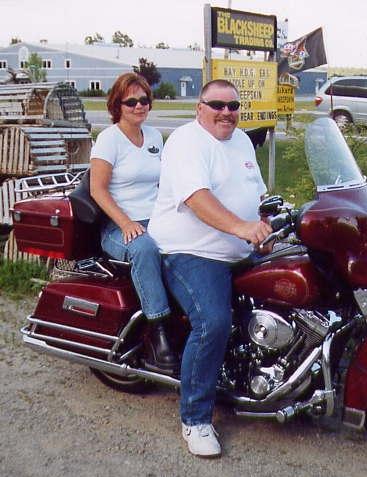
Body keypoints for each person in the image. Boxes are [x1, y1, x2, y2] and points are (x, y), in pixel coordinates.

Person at [148, 79, 272, 457]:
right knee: (213, 322)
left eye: (233, 106)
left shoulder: (242, 142)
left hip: (239, 249)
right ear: (199, 107)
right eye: (216, 104)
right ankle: (196, 419)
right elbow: (196, 198)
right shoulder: (187, 142)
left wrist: (269, 219)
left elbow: (258, 193)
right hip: (190, 251)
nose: (226, 112)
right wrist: (242, 227)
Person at [90, 72, 176, 374]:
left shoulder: (153, 136)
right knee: (145, 249)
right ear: (118, 105)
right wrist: (126, 223)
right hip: (118, 225)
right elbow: (97, 190)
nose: (139, 106)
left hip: (156, 218)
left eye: (144, 100)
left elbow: (165, 181)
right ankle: (159, 330)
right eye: (131, 102)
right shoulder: (108, 139)